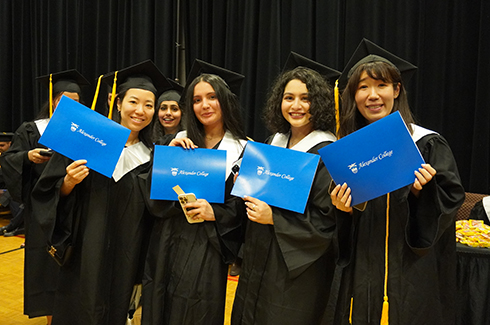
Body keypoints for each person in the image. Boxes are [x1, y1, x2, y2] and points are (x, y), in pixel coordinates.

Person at [329, 39, 465, 325]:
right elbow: (337, 225)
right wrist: (343, 209)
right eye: (363, 87)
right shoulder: (347, 151)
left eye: (381, 85)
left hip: (411, 267)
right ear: (353, 96)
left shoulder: (426, 144)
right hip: (364, 266)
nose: (373, 95)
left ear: (397, 90)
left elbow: (450, 200)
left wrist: (422, 194)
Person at [31, 60, 170, 325]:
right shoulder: (87, 141)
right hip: (84, 255)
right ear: (116, 103)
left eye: (148, 105)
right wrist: (69, 182)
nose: (140, 111)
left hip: (126, 258)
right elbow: (47, 192)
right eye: (133, 102)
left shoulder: (153, 157)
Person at [230, 53, 340, 325]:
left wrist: (274, 219)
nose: (296, 105)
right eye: (289, 98)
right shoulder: (273, 143)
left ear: (320, 103)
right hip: (259, 257)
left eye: (306, 98)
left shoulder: (327, 153)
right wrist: (243, 184)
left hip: (295, 270)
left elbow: (327, 221)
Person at [141, 59, 247, 325]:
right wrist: (167, 158)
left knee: (198, 310)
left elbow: (245, 209)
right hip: (167, 240)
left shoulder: (244, 151)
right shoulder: (177, 141)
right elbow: (153, 196)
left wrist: (216, 212)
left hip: (208, 246)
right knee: (159, 304)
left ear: (225, 101)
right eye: (197, 100)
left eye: (212, 97)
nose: (205, 105)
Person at [0, 70, 89, 325]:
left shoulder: (82, 131)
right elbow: (8, 159)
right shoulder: (32, 129)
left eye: (76, 101)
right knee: (47, 266)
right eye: (64, 100)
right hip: (43, 210)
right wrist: (28, 157)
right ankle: (52, 318)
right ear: (53, 101)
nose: (71, 106)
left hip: (74, 207)